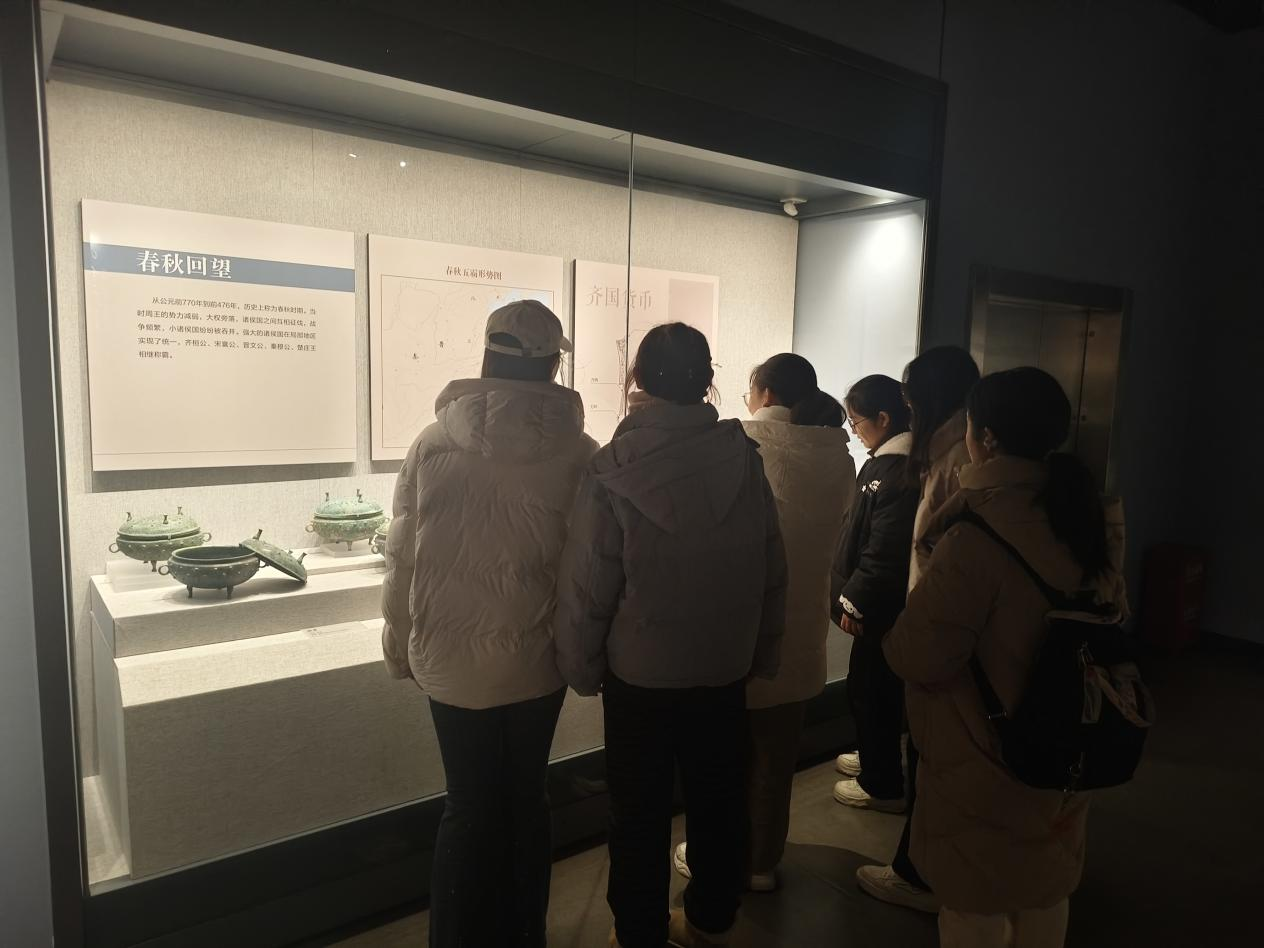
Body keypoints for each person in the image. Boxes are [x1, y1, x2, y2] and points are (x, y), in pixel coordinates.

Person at [554, 323, 788, 948]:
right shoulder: (742, 457)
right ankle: (710, 920)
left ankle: (638, 932)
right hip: (723, 666)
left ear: (637, 379)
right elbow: (771, 566)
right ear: (708, 380)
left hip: (640, 674)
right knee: (719, 798)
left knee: (637, 811)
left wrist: (580, 667)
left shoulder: (614, 468)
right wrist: (763, 651)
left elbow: (590, 583)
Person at [882, 367, 1125, 948]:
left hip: (984, 754)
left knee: (975, 906)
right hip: (1070, 742)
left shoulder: (975, 534)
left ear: (985, 437)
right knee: (1045, 893)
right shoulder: (1086, 519)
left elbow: (918, 654)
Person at [380, 300, 597, 948]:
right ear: (553, 364)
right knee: (526, 800)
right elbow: (584, 570)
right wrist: (582, 655)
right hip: (536, 659)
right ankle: (523, 934)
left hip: (448, 659)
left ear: (486, 354)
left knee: (467, 805)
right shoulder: (581, 452)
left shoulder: (431, 442)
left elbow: (402, 556)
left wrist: (399, 645)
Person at [672, 353, 855, 893]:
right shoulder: (838, 458)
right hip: (800, 632)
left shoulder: (736, 444)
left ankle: (714, 858)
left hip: (734, 630)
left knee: (720, 760)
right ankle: (760, 864)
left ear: (765, 393)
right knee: (775, 761)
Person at [855, 345, 978, 913]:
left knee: (937, 755)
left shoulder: (953, 460)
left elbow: (938, 562)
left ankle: (921, 874)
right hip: (947, 629)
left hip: (945, 632)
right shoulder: (949, 451)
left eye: (909, 395)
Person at [829, 375, 920, 814]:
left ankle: (881, 783)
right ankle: (873, 757)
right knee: (869, 687)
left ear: (883, 418)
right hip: (885, 602)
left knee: (873, 690)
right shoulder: (893, 462)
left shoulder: (895, 469)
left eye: (857, 422)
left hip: (881, 605)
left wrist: (856, 598)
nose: (855, 432)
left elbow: (885, 546)